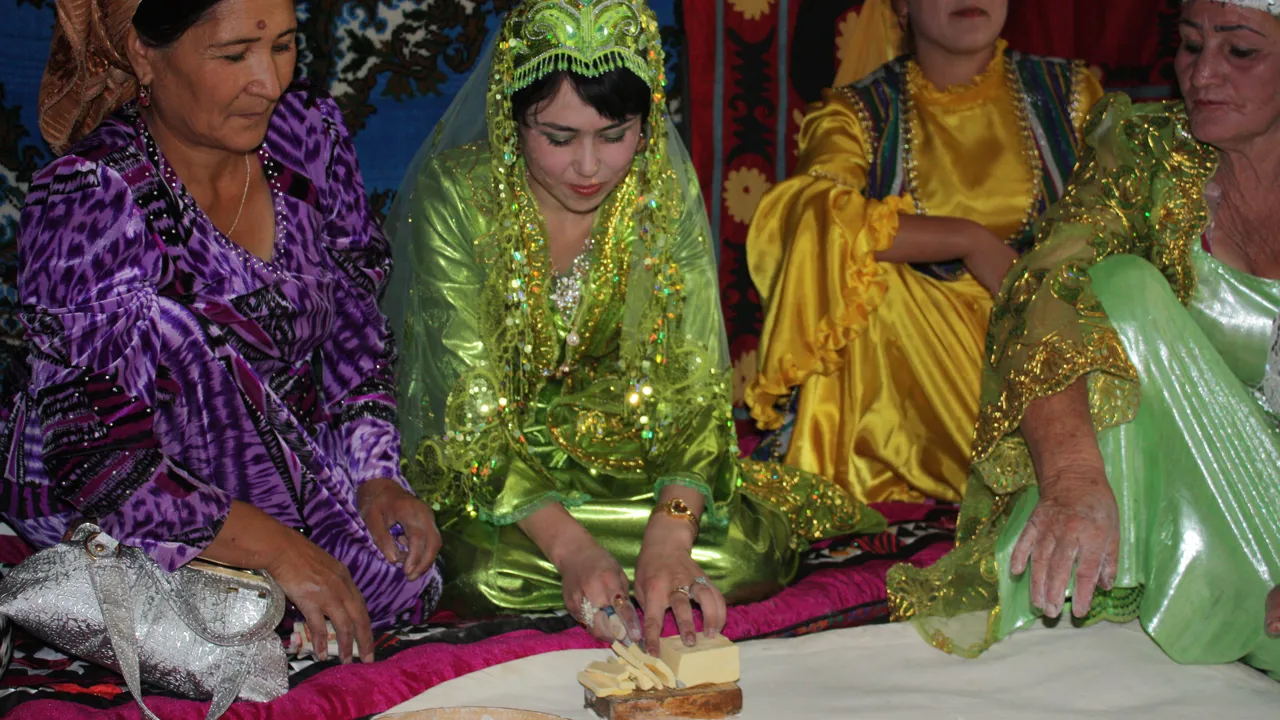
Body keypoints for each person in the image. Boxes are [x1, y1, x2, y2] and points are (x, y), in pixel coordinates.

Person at [383, 0, 884, 656]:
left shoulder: (661, 196)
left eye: (614, 133)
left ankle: (629, 567)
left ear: (647, 123)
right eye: (558, 138)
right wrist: (572, 551)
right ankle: (589, 568)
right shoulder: (458, 195)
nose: (589, 167)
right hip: (498, 476)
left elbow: (697, 386)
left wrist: (670, 542)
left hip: (626, 457)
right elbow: (468, 412)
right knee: (477, 572)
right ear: (512, 118)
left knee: (745, 556)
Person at [4, 0, 441, 666]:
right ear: (145, 55)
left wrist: (375, 473)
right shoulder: (91, 196)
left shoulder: (308, 139)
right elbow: (100, 460)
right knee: (252, 630)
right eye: (234, 55)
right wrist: (279, 549)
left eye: (285, 46)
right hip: (132, 483)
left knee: (401, 576)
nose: (268, 81)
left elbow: (355, 328)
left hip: (278, 456)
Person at [888, 0, 1280, 678]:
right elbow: (1045, 286)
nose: (1204, 74)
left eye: (1240, 52)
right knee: (1117, 289)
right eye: (1190, 47)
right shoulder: (1151, 150)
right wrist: (1071, 478)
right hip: (1182, 509)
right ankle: (1100, 605)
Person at [744, 0, 1104, 504]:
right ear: (903, 5)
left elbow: (1118, 219)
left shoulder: (1070, 94)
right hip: (927, 351)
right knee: (868, 286)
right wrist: (969, 240)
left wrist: (1036, 286)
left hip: (1053, 329)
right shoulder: (860, 112)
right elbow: (811, 214)